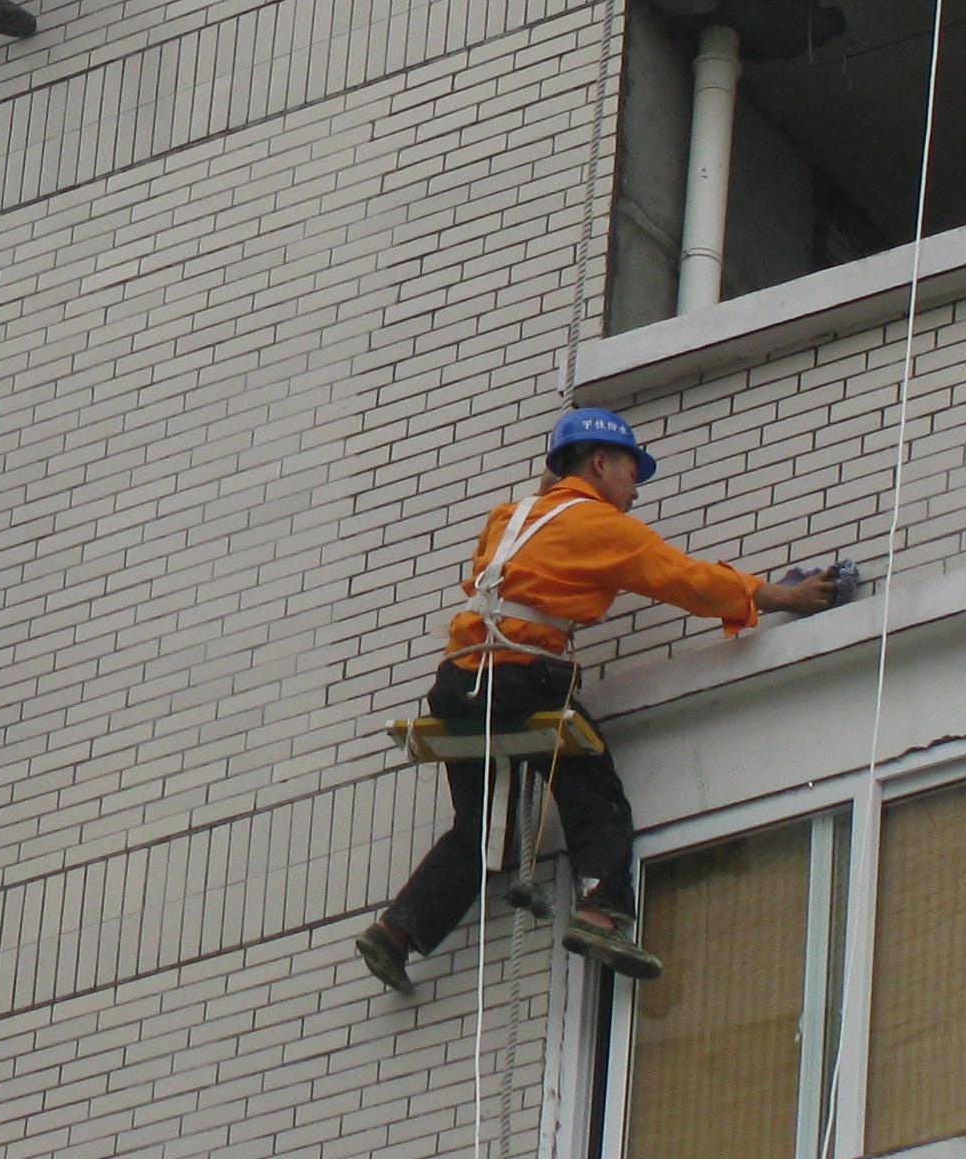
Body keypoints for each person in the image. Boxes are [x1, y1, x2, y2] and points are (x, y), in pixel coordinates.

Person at [355, 412, 837, 994]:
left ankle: (395, 933)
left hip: (459, 684)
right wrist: (785, 595)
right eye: (632, 471)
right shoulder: (603, 527)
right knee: (597, 799)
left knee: (479, 828)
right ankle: (599, 914)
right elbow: (689, 581)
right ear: (601, 463)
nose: (635, 490)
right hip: (521, 678)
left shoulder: (509, 518)